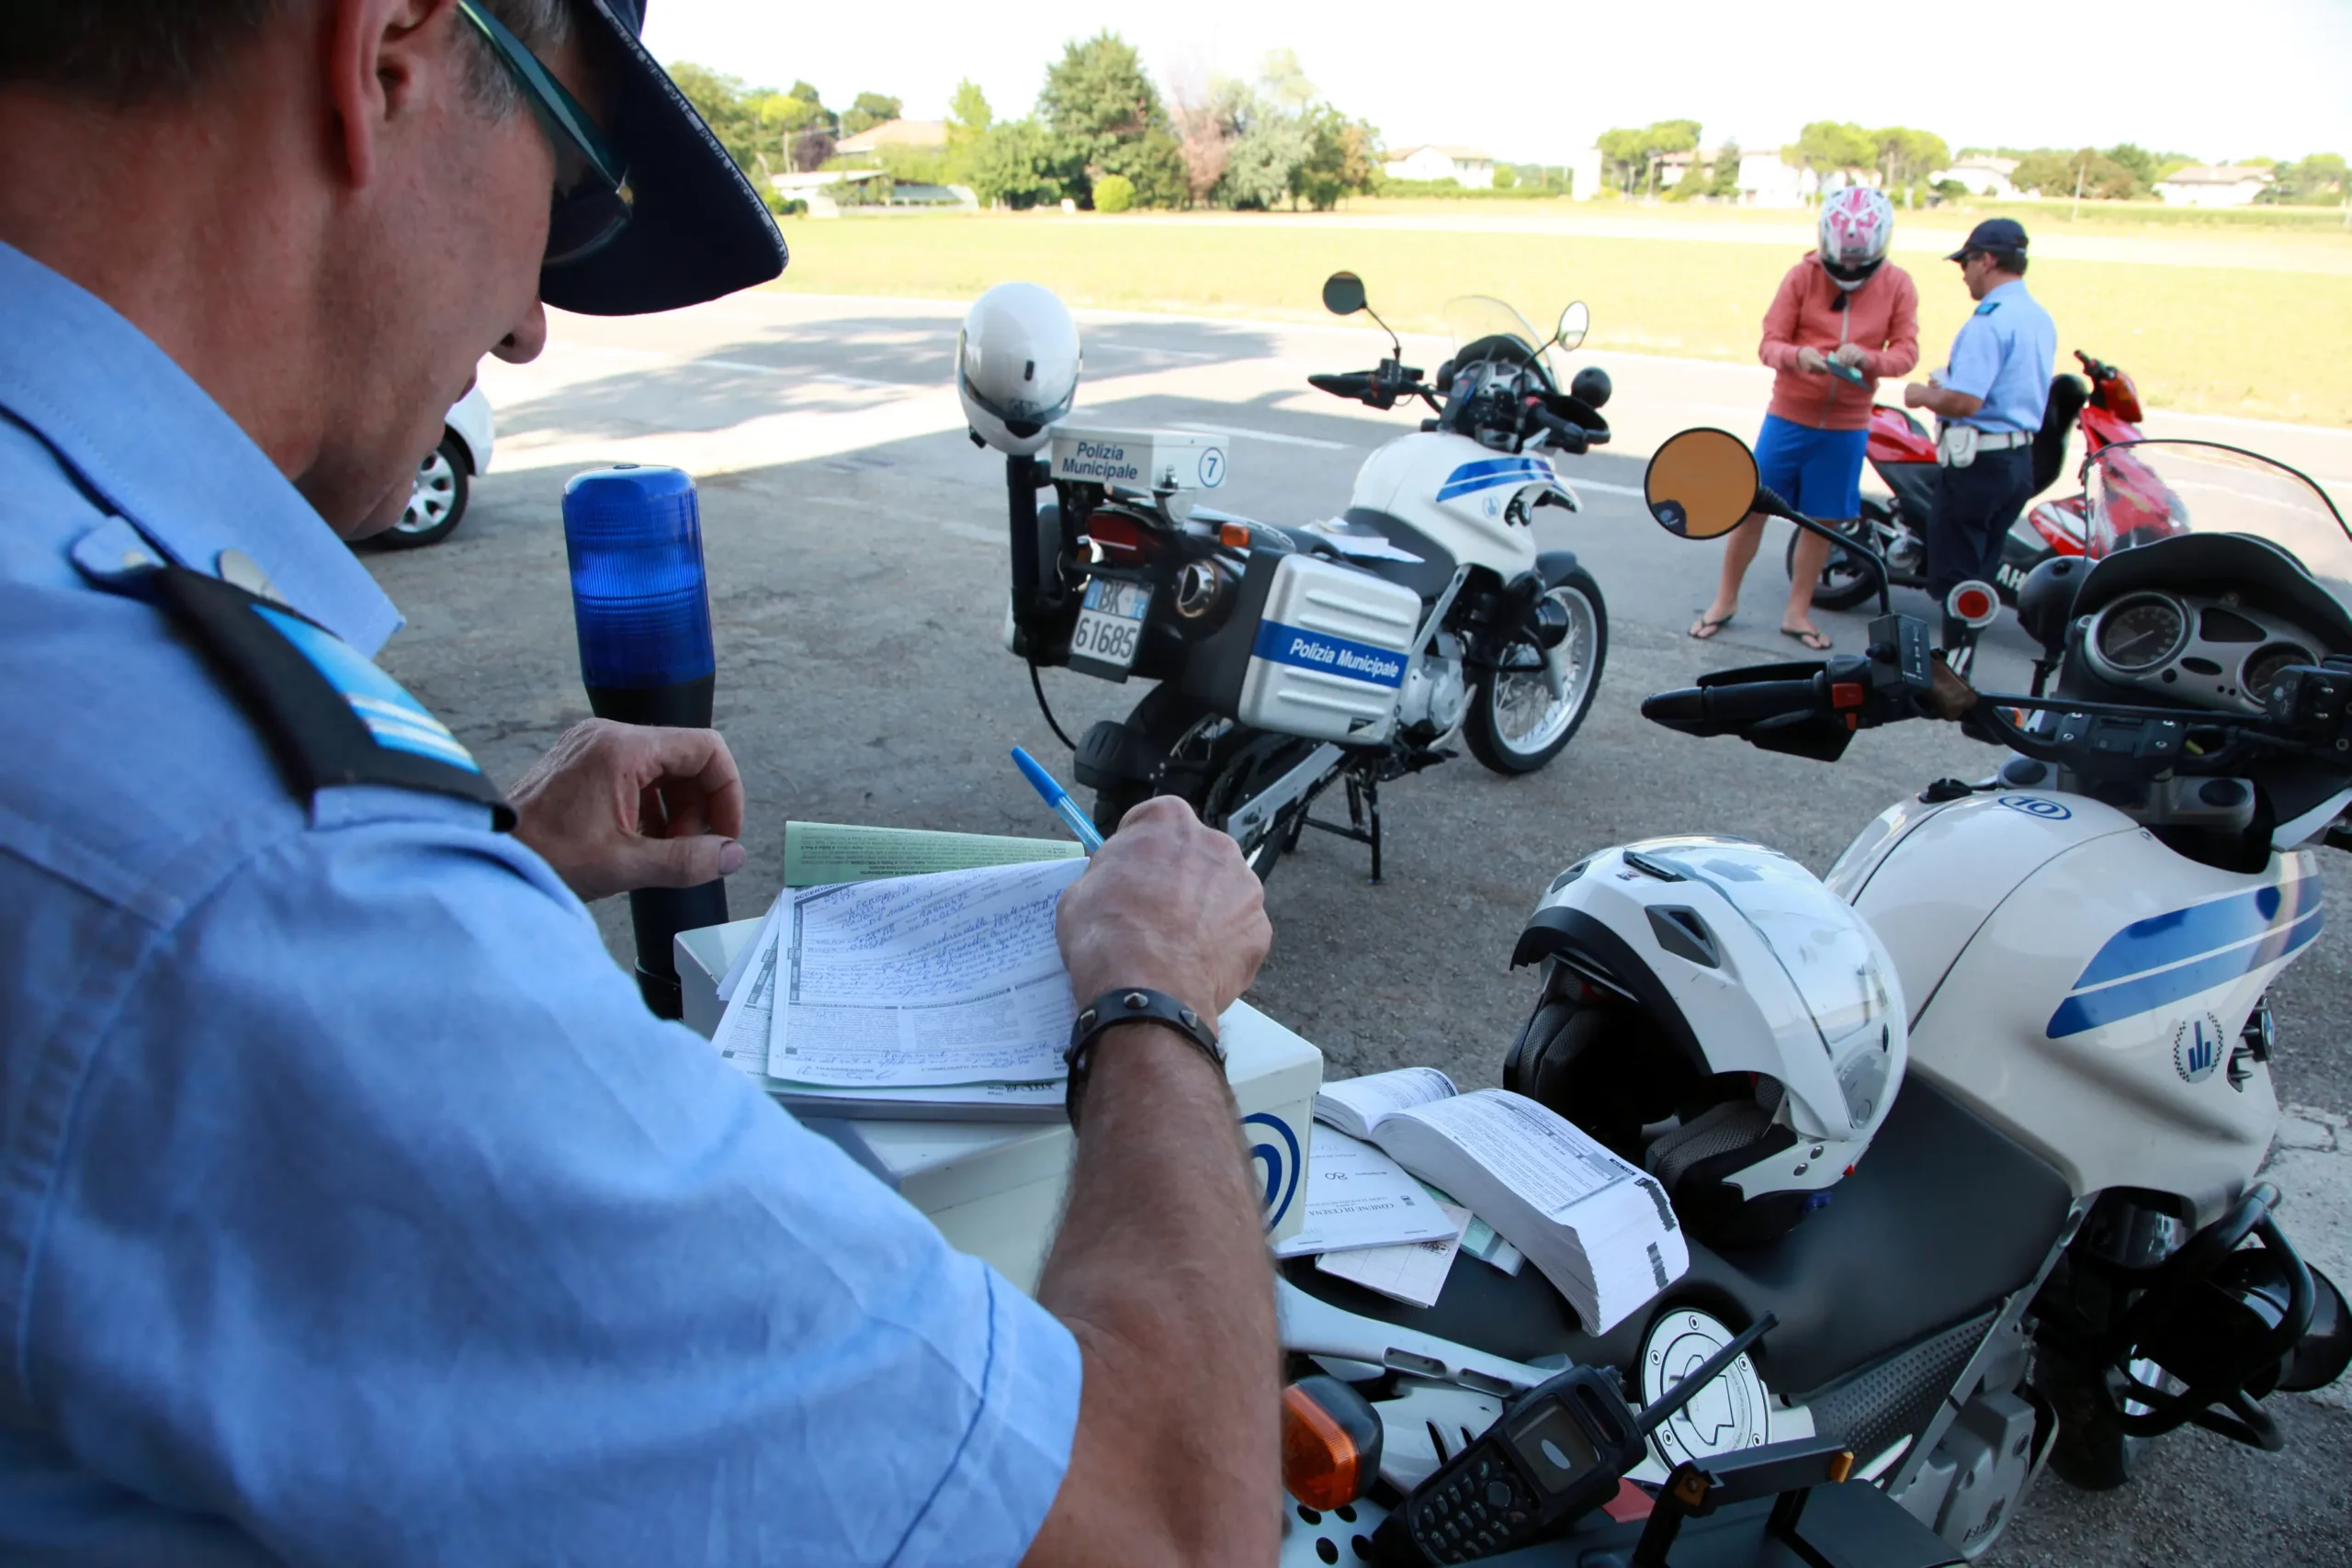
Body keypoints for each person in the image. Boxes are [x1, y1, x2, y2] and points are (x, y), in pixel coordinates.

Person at [0, 5, 1277, 1565]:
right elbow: (1163, 1520)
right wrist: (1153, 987)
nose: (534, 322)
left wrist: (502, 864)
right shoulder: (264, 870)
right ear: (386, 52)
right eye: (579, 182)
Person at [1691, 186, 1918, 652]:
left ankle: (1797, 611)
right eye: (1841, 264)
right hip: (1789, 417)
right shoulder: (1801, 276)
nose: (1849, 272)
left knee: (1823, 522)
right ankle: (1724, 601)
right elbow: (1768, 343)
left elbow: (1907, 353)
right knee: (1751, 509)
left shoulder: (1898, 285)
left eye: (1860, 263)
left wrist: (1871, 359)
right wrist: (1799, 357)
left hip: (1847, 425)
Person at [1903, 218, 2058, 652]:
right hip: (2016, 459)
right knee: (1983, 568)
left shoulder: (1988, 322)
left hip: (1979, 465)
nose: (1964, 273)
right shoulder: (2037, 317)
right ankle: (1965, 653)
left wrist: (1922, 395)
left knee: (1959, 575)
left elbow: (1965, 402)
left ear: (1987, 261)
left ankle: (1953, 665)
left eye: (1967, 263)